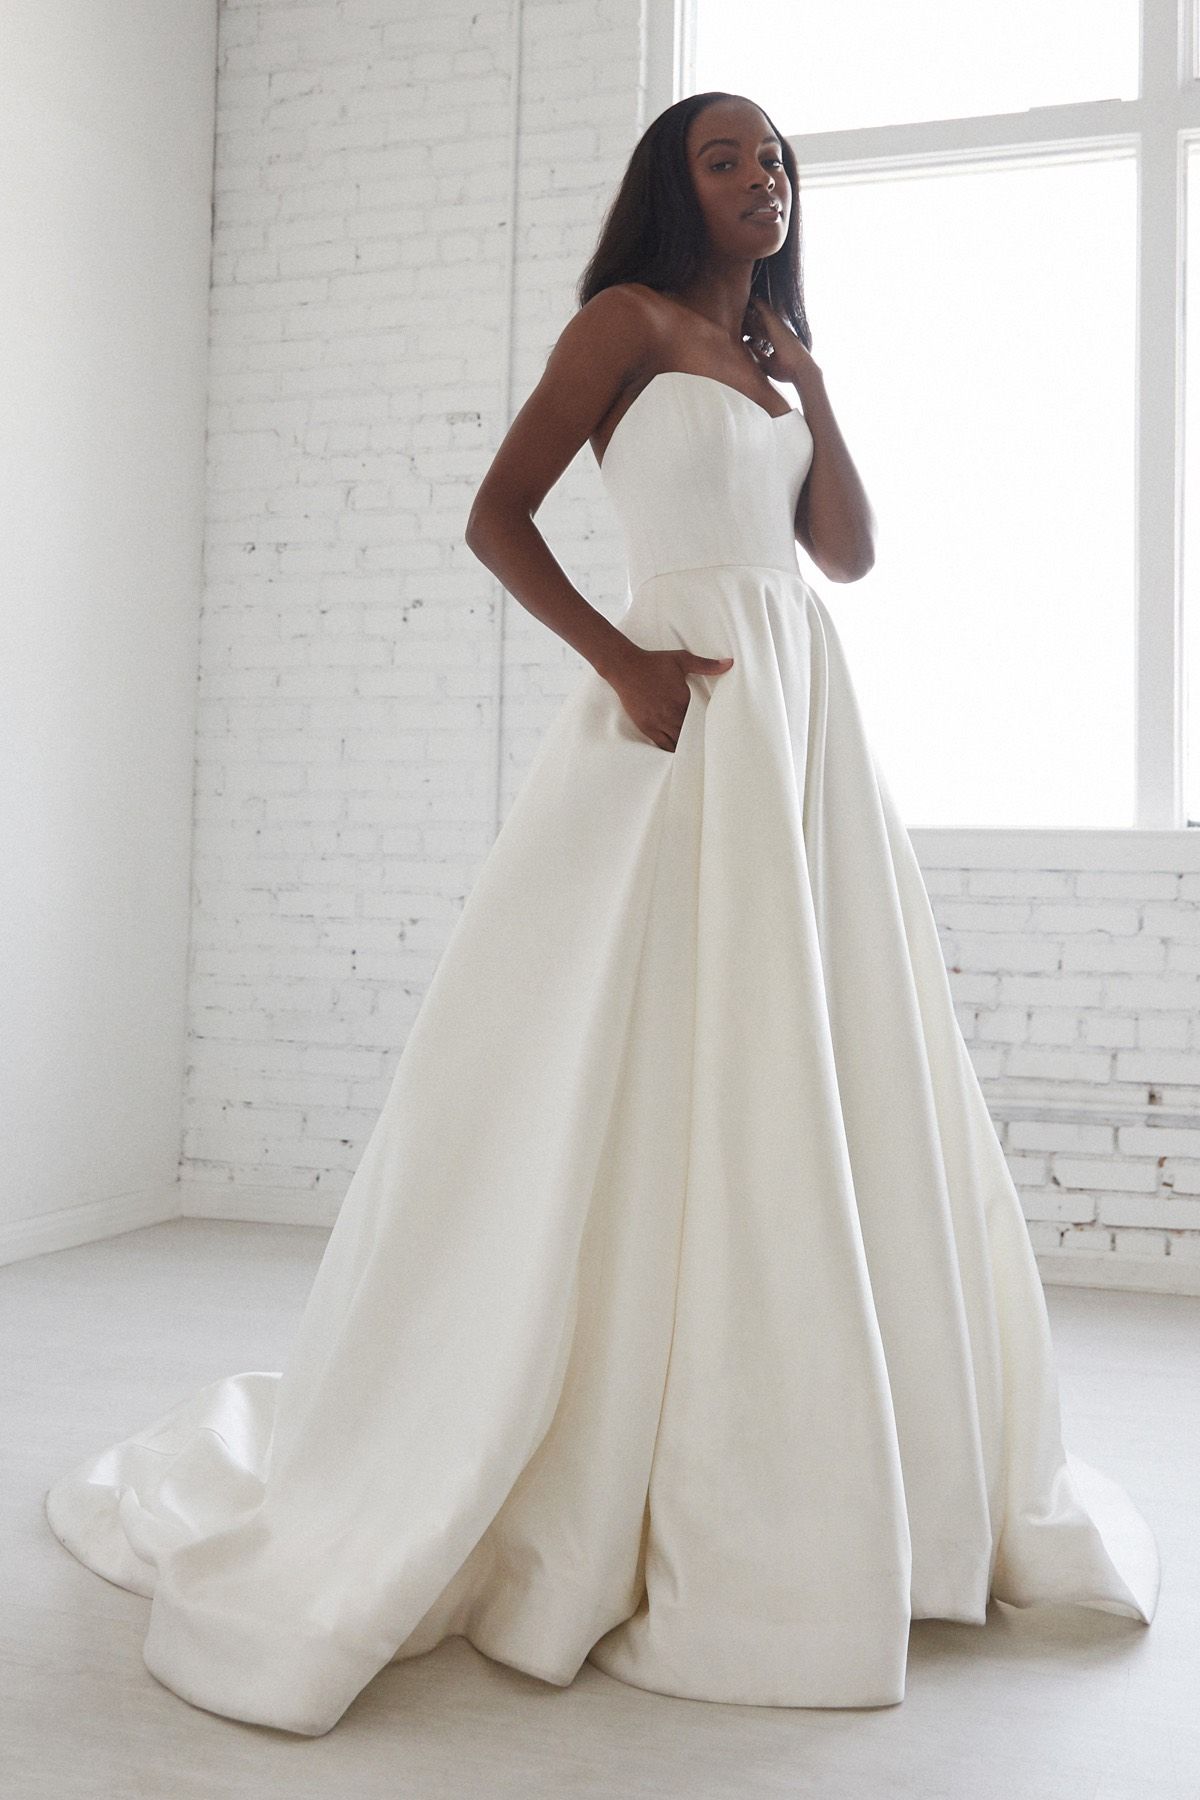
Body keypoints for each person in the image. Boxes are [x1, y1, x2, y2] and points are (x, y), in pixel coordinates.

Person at [44, 90, 1160, 1739]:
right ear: (671, 187)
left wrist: (816, 389)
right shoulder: (620, 327)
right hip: (682, 714)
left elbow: (842, 555)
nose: (761, 178)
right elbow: (494, 515)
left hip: (802, 725)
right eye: (726, 158)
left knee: (828, 1058)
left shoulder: (775, 359)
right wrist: (624, 661)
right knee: (639, 1064)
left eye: (777, 158)